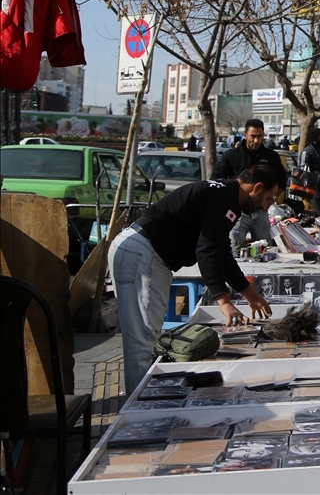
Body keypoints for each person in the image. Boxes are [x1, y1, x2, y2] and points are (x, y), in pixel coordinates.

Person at [108, 164, 278, 394]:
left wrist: (248, 292)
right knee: (142, 342)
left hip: (140, 250)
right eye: (268, 199)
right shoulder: (225, 200)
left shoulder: (224, 194)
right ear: (256, 188)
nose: (266, 207)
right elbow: (207, 250)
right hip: (144, 254)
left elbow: (221, 250)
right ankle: (139, 406)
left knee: (146, 337)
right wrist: (223, 301)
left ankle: (142, 400)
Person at [212, 118, 289, 250]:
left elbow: (282, 179)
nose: (256, 140)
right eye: (253, 136)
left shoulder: (271, 156)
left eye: (260, 136)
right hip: (238, 211)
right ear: (245, 135)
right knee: (234, 248)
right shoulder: (231, 155)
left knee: (265, 248)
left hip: (261, 211)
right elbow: (217, 179)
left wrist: (271, 199)